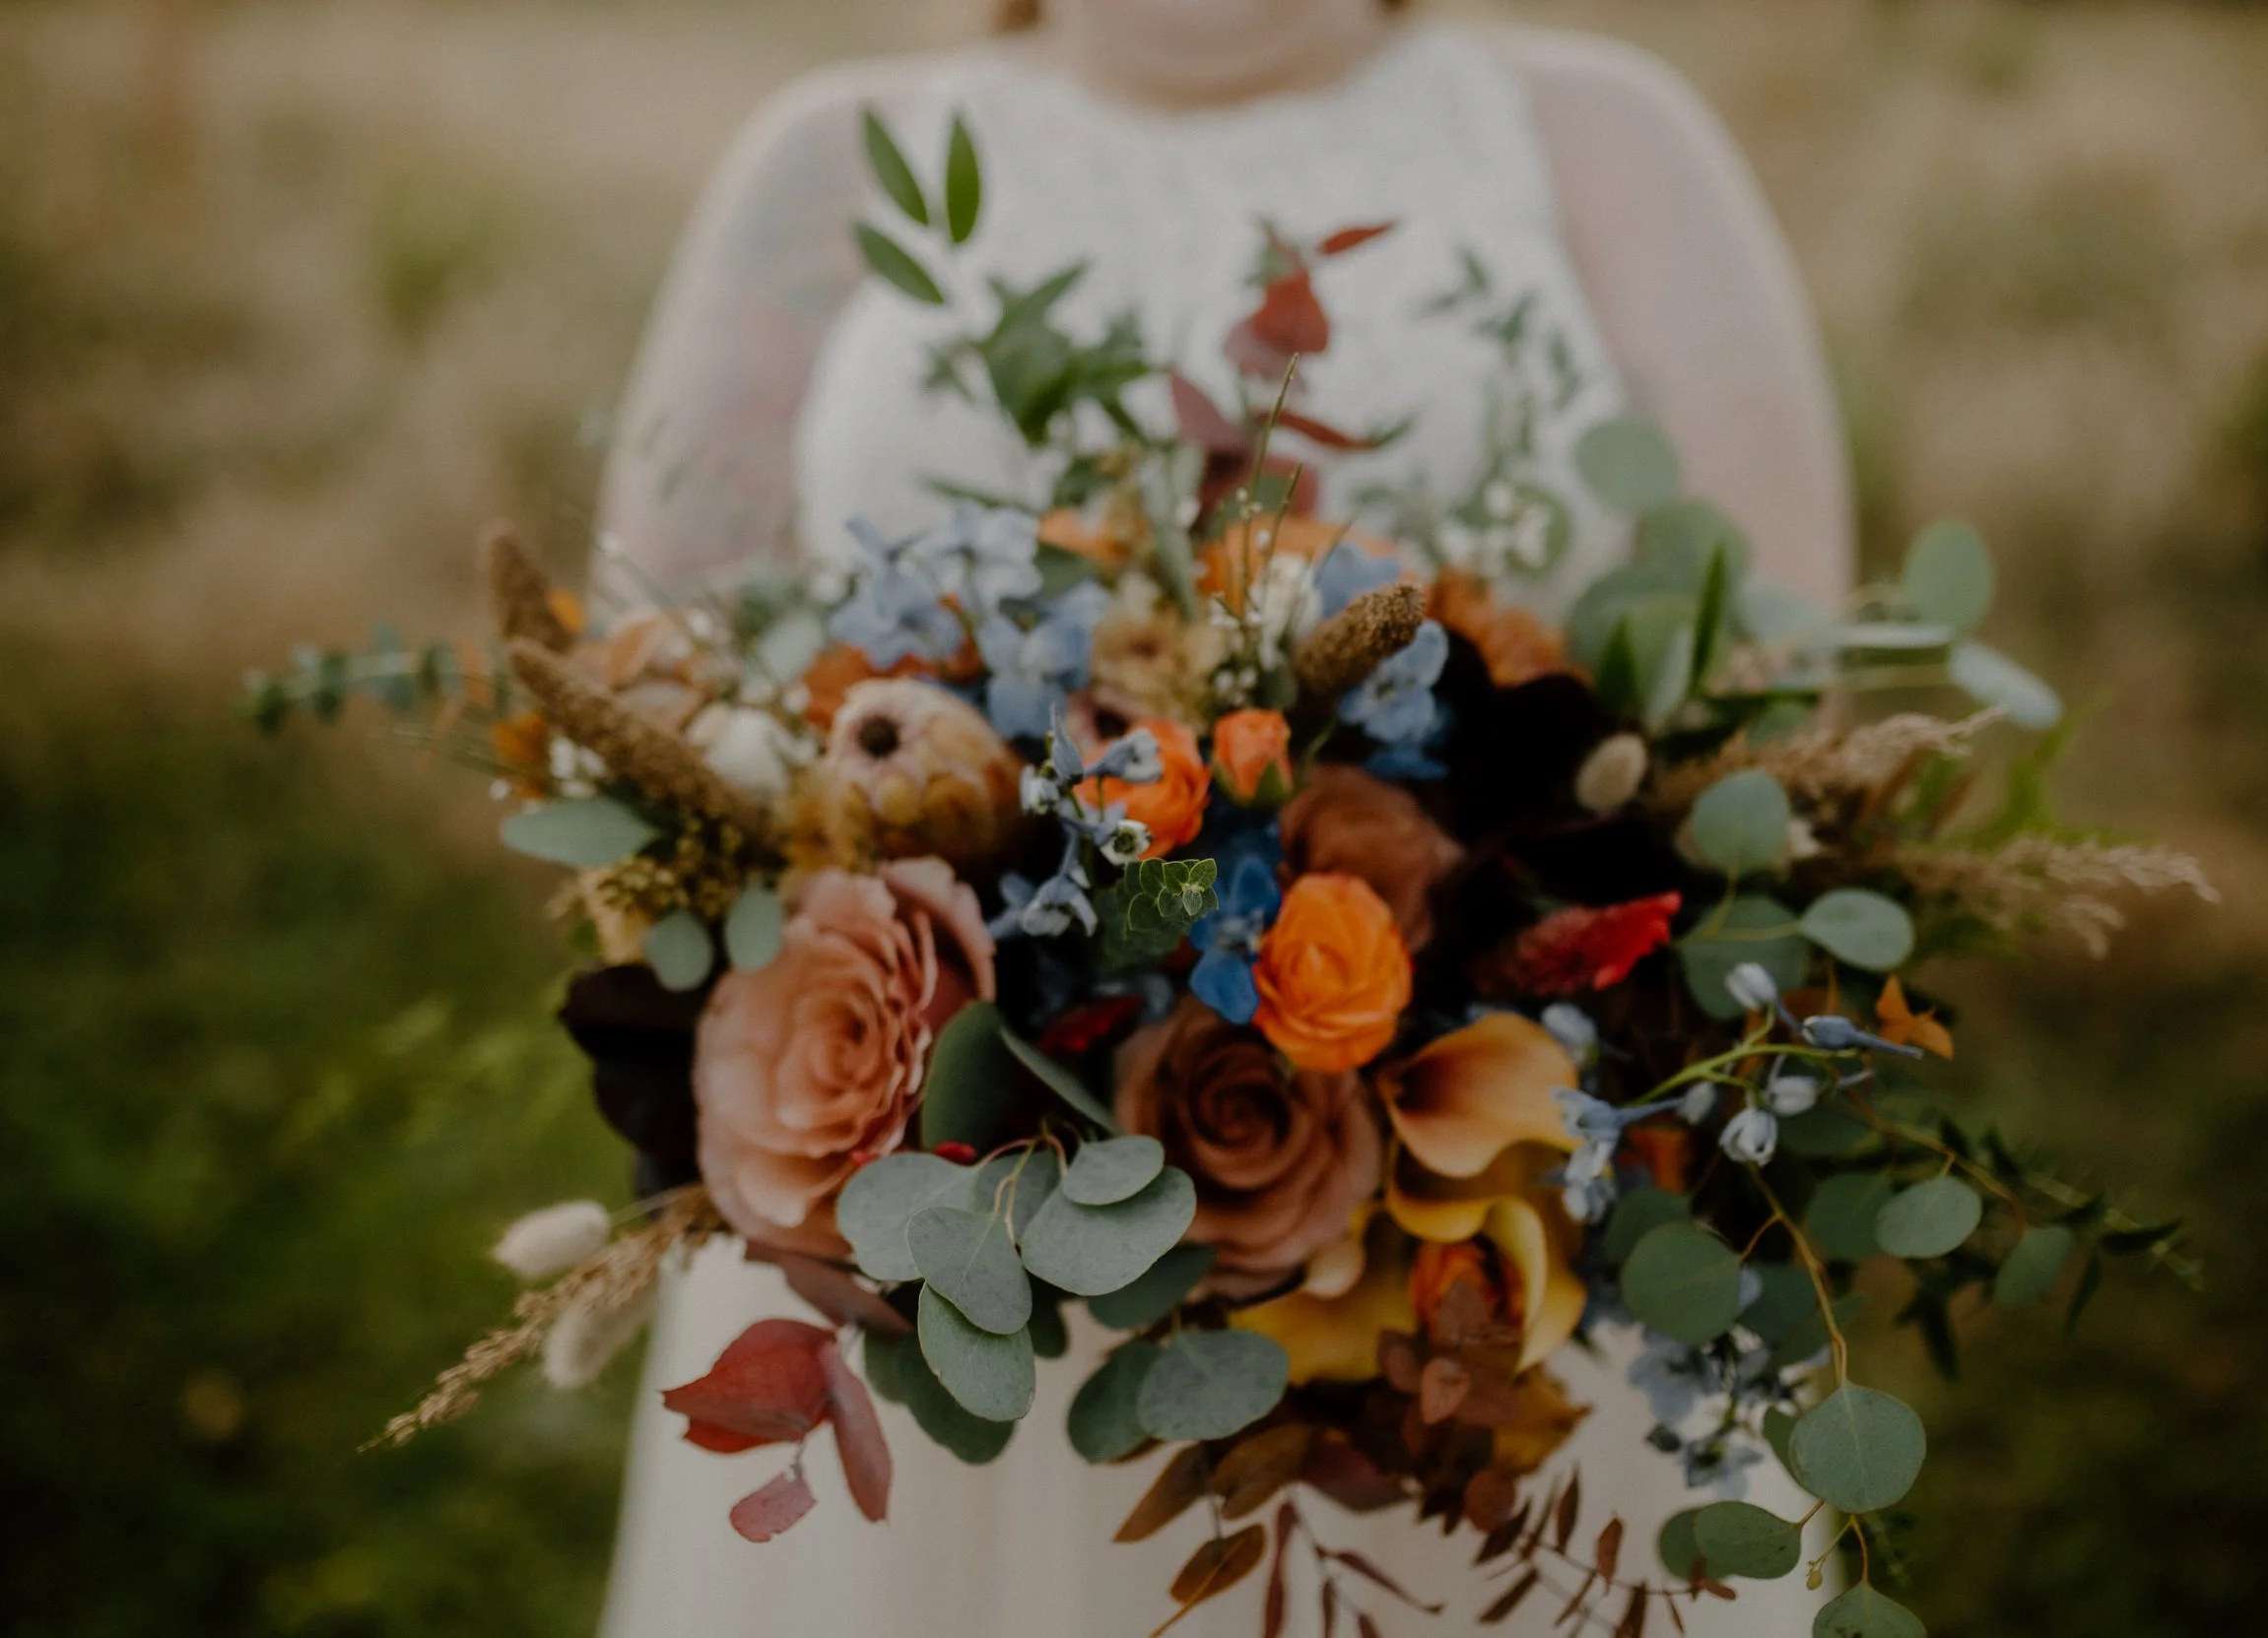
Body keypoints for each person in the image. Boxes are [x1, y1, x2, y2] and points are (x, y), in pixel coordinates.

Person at [595, 2, 1851, 1632]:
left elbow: (1784, 694)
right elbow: (654, 699)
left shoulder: (1599, 134)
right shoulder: (832, 162)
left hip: (1495, 1248)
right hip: (930, 1259)